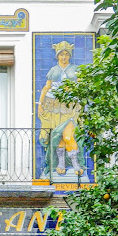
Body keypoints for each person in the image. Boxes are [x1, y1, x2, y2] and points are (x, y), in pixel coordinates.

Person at [37, 40, 84, 177]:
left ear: (70, 55)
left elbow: (81, 87)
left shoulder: (75, 69)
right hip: (53, 107)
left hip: (71, 107)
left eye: (66, 54)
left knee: (68, 135)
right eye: (61, 54)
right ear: (57, 56)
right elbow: (46, 87)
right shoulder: (53, 70)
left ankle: (76, 164)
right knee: (59, 137)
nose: (63, 57)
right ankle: (61, 163)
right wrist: (40, 105)